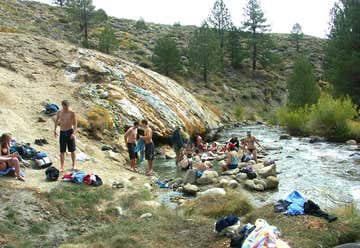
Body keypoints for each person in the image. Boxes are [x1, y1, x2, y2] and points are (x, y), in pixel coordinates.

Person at [54, 100, 78, 172]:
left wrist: (74, 133)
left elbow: (76, 125)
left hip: (70, 131)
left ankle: (74, 165)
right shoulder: (59, 112)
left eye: (67, 107)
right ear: (62, 106)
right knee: (62, 151)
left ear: (68, 106)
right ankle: (61, 167)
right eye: (64, 107)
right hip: (62, 132)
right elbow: (56, 121)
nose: (66, 108)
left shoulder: (72, 113)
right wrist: (55, 130)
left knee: (72, 150)